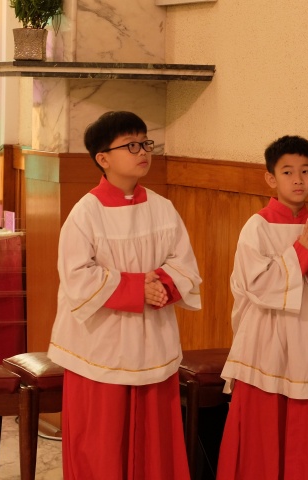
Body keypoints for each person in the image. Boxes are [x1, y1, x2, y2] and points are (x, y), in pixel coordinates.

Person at [47, 111, 202, 479]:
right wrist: (136, 288)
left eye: (145, 142)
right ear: (103, 158)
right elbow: (76, 277)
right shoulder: (86, 213)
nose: (142, 151)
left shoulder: (162, 208)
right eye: (130, 145)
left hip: (152, 343)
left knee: (154, 442)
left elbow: (184, 263)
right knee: (102, 443)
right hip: (100, 346)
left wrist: (161, 287)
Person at [217, 135, 308, 480]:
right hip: (264, 343)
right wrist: (301, 254)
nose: (298, 179)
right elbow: (256, 285)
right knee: (260, 434)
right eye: (288, 172)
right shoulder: (257, 227)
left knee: (303, 437)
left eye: (306, 171)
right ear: (271, 178)